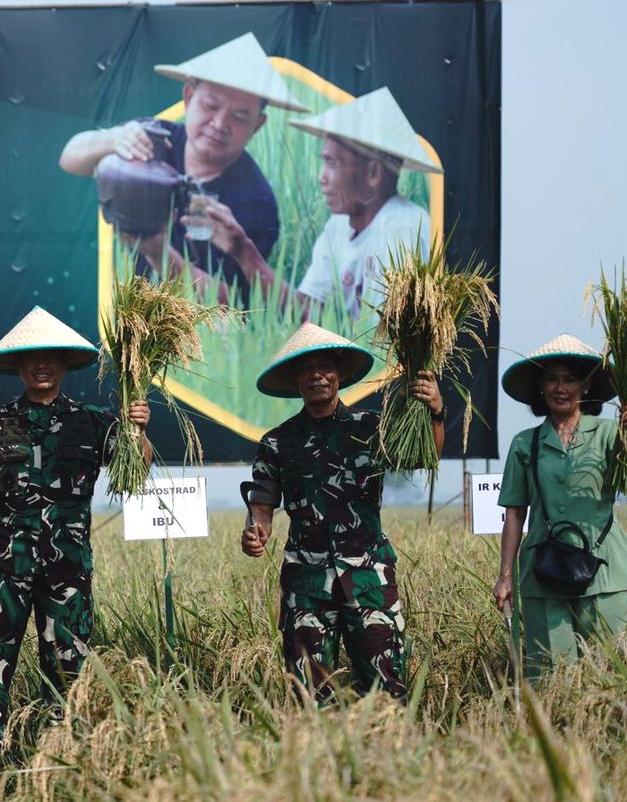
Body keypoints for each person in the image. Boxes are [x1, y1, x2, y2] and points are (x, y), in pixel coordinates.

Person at [0, 307, 149, 802]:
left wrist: (137, 428)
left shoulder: (94, 422)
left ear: (63, 365)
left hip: (67, 570)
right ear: (19, 366)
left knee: (67, 666)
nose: (42, 366)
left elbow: (135, 467)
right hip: (2, 566)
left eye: (51, 359)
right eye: (32, 359)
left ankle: (58, 764)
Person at [239, 323, 442, 702]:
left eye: (325, 367)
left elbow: (423, 457)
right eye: (306, 369)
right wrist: (256, 531)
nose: (317, 375)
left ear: (339, 375)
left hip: (369, 579)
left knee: (387, 691)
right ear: (295, 380)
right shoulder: (277, 442)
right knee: (309, 692)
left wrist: (435, 412)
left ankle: (385, 754)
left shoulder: (372, 429)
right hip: (307, 584)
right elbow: (262, 506)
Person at [59, 33, 307, 306]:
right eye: (210, 106)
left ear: (257, 125)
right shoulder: (154, 140)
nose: (219, 123)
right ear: (188, 97)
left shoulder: (255, 202)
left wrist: (158, 253)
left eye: (239, 116)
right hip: (132, 314)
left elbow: (231, 303)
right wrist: (114, 139)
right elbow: (71, 157)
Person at [493, 335, 627, 680]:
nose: (561, 388)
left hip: (604, 572)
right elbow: (514, 513)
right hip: (542, 573)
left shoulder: (610, 433)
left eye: (570, 379)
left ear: (586, 386)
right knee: (551, 677)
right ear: (540, 387)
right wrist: (504, 576)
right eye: (552, 379)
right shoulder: (525, 443)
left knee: (608, 676)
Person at [291, 88, 442, 324]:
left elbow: (385, 339)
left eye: (332, 163)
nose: (322, 177)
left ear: (373, 173)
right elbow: (307, 310)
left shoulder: (403, 231)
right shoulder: (338, 226)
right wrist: (246, 254)